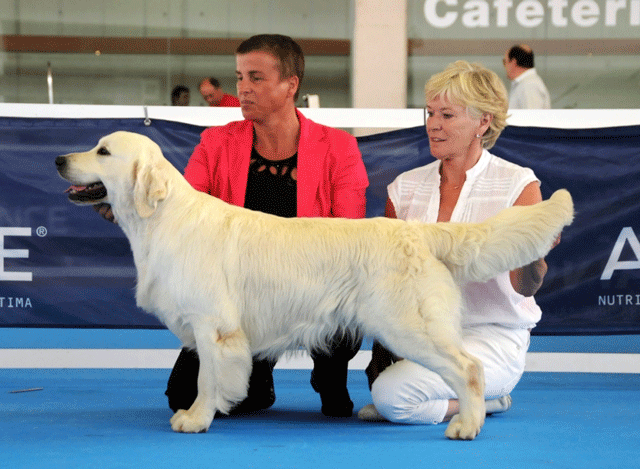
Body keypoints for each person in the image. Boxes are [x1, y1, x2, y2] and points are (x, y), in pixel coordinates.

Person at [165, 34, 369, 418]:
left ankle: (330, 376)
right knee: (182, 397)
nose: (242, 88)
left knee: (345, 311)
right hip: (240, 301)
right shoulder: (215, 143)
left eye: (255, 77)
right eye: (239, 77)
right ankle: (258, 377)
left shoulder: (338, 147)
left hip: (316, 290)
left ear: (290, 85)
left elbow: (350, 237)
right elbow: (182, 210)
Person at [358, 60, 559, 425]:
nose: (433, 124)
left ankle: (485, 399)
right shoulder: (404, 188)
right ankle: (465, 396)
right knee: (385, 389)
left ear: (483, 121)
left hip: (491, 337)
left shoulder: (518, 184)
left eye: (447, 115)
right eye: (431, 112)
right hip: (423, 335)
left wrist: (534, 253)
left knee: (390, 397)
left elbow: (525, 287)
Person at [503, 44, 551, 109]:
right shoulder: (525, 84)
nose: (504, 66)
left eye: (504, 61)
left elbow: (532, 117)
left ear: (513, 62)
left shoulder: (529, 85)